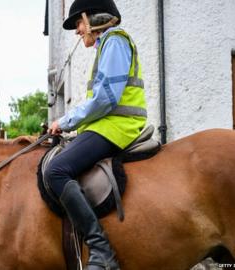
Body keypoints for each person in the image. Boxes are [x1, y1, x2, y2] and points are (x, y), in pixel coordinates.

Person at [44, 0, 147, 269]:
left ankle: (101, 251)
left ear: (93, 18)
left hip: (117, 126)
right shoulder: (106, 46)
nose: (77, 31)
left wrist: (66, 121)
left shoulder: (114, 42)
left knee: (56, 170)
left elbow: (105, 99)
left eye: (78, 22)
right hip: (107, 125)